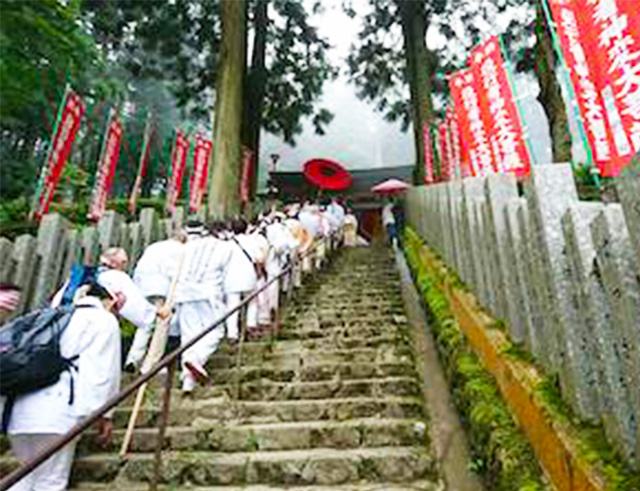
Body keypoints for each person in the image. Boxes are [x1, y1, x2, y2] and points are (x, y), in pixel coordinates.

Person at [6, 282, 123, 491]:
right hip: (57, 408)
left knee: (28, 473)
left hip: (19, 409)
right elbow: (103, 370)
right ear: (107, 301)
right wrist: (104, 414)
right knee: (51, 479)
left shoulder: (51, 316)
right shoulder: (103, 320)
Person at [51, 248, 171, 370]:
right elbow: (135, 306)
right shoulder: (117, 277)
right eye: (123, 262)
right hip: (94, 325)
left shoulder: (84, 275)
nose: (125, 265)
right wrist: (156, 312)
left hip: (65, 321)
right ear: (114, 263)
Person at [173, 226, 232, 394]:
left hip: (184, 294)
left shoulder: (186, 248)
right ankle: (196, 360)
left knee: (189, 335)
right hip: (209, 294)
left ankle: (187, 381)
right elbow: (227, 275)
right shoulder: (223, 247)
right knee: (216, 331)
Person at [126, 233, 186, 371]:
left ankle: (133, 358)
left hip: (143, 287)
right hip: (161, 288)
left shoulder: (153, 247)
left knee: (145, 324)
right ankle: (151, 364)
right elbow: (175, 272)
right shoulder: (180, 249)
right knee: (162, 326)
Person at [224, 218, 260, 343]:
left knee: (232, 306)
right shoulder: (252, 241)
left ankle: (232, 334)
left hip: (231, 278)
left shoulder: (227, 244)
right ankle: (251, 325)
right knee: (252, 302)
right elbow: (258, 259)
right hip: (249, 276)